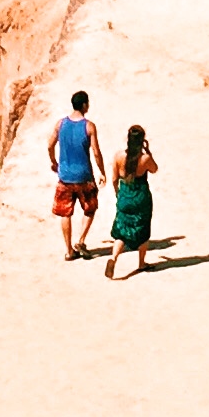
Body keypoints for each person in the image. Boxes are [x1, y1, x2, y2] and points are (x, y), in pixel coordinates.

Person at [47, 91, 105, 260]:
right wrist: (102, 171)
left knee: (66, 213)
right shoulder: (89, 126)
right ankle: (81, 240)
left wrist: (54, 162)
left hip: (65, 176)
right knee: (90, 208)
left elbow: (50, 145)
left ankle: (69, 250)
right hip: (84, 176)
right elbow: (96, 152)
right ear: (85, 105)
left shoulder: (61, 124)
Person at [105, 125, 158, 279]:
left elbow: (114, 179)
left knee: (122, 230)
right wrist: (148, 152)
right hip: (140, 196)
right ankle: (141, 263)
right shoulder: (144, 159)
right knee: (142, 229)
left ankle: (113, 258)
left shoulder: (118, 156)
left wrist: (118, 194)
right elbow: (154, 169)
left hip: (125, 195)